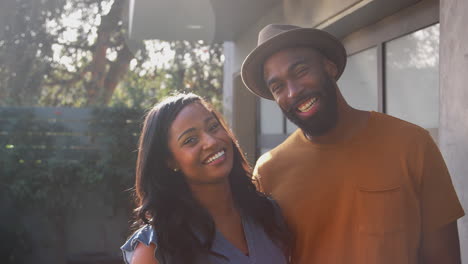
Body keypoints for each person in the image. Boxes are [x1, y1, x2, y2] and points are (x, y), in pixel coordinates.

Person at [241, 24, 465, 264]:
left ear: (330, 67)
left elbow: (444, 258)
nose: (293, 91)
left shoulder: (411, 144)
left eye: (301, 71)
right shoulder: (268, 172)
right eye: (278, 87)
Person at [120, 93, 290, 264]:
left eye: (213, 127)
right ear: (170, 161)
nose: (211, 142)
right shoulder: (156, 249)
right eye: (191, 140)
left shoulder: (268, 215)